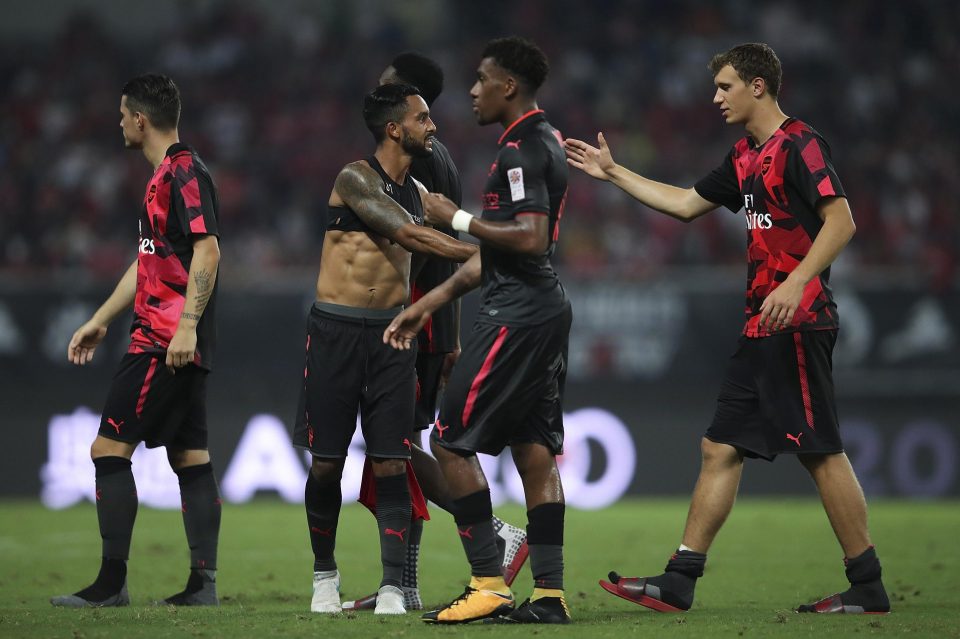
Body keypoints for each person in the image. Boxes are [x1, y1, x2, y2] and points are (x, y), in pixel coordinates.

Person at [565, 42, 890, 615]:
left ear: (757, 86)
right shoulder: (744, 156)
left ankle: (867, 583)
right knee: (719, 447)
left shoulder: (801, 145)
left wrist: (796, 283)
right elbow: (687, 204)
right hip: (761, 325)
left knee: (820, 451)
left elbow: (842, 221)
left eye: (724, 86)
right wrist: (613, 173)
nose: (715, 97)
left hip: (799, 320)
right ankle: (680, 578)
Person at [384, 36, 572, 624]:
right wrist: (428, 303)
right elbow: (499, 253)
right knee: (533, 450)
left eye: (481, 78)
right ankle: (549, 595)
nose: (470, 90)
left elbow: (531, 238)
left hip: (515, 314)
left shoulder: (520, 150)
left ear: (507, 86)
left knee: (448, 441)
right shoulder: (542, 141)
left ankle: (488, 582)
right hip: (539, 306)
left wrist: (457, 218)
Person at [342, 51, 529, 614]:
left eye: (385, 91)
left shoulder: (419, 159)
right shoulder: (434, 155)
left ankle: (493, 533)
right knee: (398, 445)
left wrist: (435, 330)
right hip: (423, 319)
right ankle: (404, 583)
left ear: (406, 101)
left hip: (410, 318)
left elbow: (428, 251)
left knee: (393, 446)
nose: (374, 99)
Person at [293, 82, 478, 616]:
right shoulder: (354, 178)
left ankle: (395, 587)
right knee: (327, 463)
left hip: (394, 336)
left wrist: (486, 243)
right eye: (423, 119)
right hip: (336, 331)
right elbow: (414, 238)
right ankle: (324, 576)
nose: (433, 126)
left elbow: (448, 235)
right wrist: (480, 255)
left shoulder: (421, 192)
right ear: (395, 128)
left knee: (393, 461)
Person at [51, 74, 223, 607]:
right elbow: (150, 259)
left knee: (107, 450)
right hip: (174, 335)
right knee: (189, 455)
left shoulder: (184, 172)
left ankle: (110, 586)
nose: (120, 122)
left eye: (123, 114)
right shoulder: (162, 177)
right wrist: (102, 318)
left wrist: (187, 326)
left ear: (140, 119)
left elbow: (208, 250)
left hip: (163, 338)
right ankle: (202, 587)